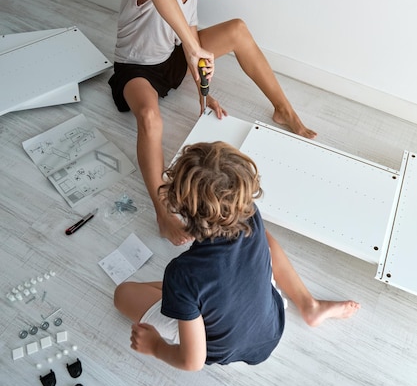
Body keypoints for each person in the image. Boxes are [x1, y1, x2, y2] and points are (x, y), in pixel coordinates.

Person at [109, 0, 316, 246]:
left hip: (173, 57)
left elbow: (190, 39)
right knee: (150, 119)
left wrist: (205, 92)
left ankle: (284, 110)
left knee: (237, 29)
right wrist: (193, 48)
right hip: (137, 69)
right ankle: (163, 214)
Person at [114, 141, 360, 372]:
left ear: (182, 208)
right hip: (272, 320)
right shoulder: (250, 214)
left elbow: (193, 361)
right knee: (262, 238)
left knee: (123, 294)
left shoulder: (181, 273)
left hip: (219, 345)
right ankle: (309, 304)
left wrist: (156, 346)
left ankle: (184, 305)